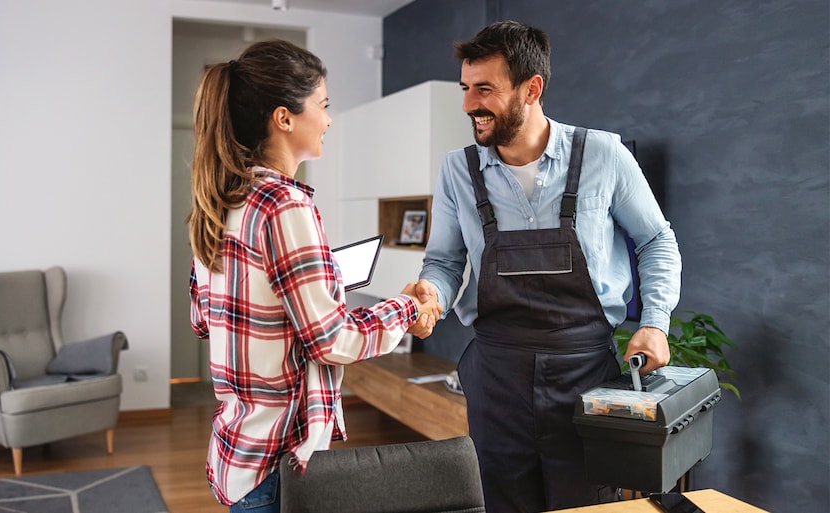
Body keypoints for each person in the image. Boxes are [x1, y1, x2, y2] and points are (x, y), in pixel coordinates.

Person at [410, 21, 682, 512]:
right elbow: (446, 262)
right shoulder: (458, 169)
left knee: (589, 504)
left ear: (531, 88)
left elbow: (657, 240)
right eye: (466, 89)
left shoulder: (604, 154)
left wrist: (656, 323)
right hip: (496, 377)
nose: (471, 104)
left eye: (486, 89)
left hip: (586, 377)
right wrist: (432, 291)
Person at [187, 40, 440, 513]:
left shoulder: (222, 201)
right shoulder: (284, 205)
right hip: (278, 465)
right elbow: (332, 341)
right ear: (284, 118)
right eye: (322, 106)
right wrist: (407, 309)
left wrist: (317, 286)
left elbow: (208, 319)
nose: (327, 120)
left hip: (237, 452)